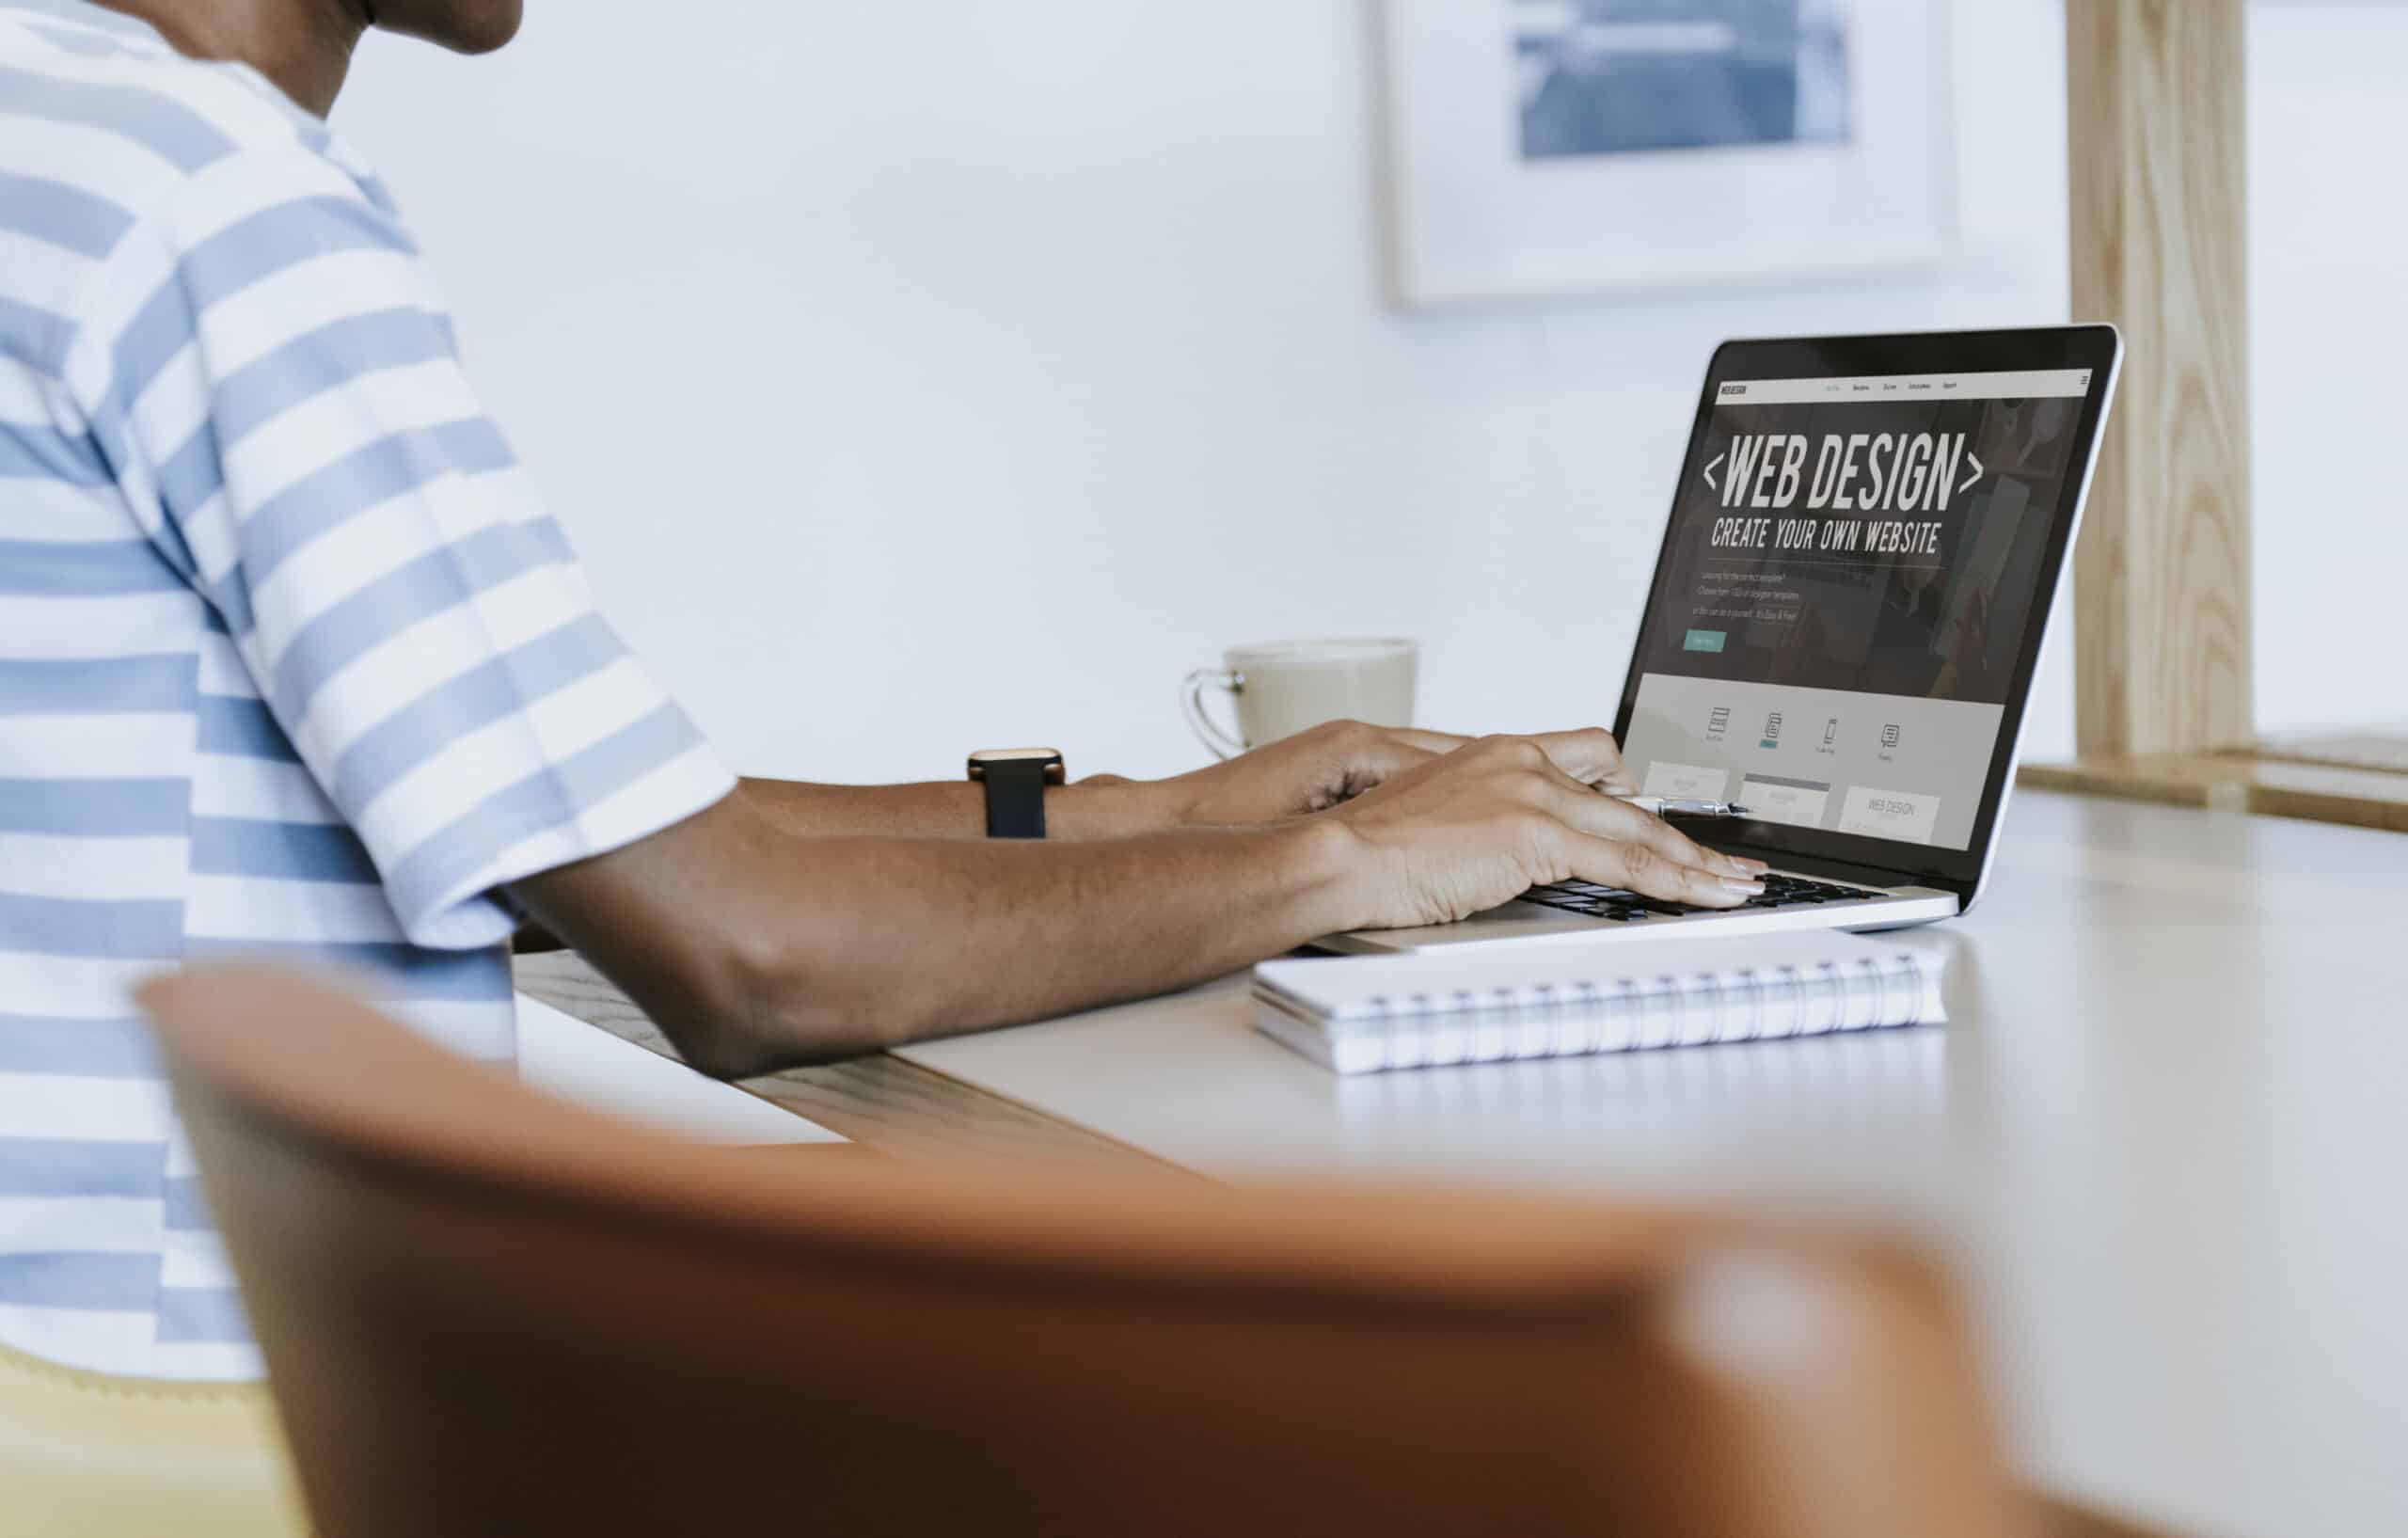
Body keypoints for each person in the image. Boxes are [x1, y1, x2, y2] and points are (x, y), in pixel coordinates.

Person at [0, 0, 1766, 1380]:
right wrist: (1353, 868)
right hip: (206, 1391)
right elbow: (742, 953)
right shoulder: (212, 202)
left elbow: (597, 830)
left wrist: (1157, 813)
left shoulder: (59, 143)